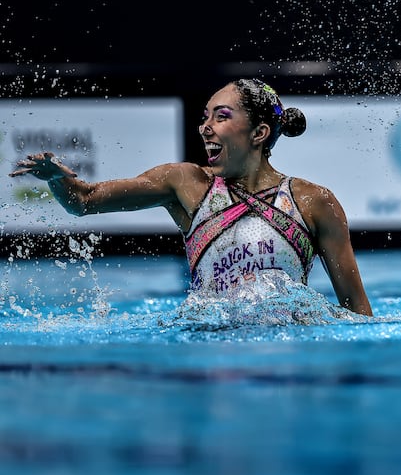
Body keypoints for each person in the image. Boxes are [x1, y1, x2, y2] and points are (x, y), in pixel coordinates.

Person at [9, 79, 373, 317]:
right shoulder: (186, 184)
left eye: (222, 116)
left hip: (292, 349)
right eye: (205, 117)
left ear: (260, 132)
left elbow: (356, 311)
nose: (205, 126)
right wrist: (57, 178)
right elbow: (84, 201)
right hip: (208, 342)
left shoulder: (313, 202)